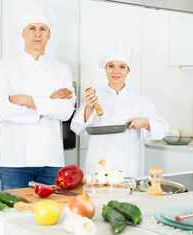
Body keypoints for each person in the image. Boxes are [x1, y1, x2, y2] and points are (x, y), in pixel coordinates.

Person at [0, 3, 76, 190]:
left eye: (43, 29)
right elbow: (2, 112)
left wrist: (28, 101)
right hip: (14, 158)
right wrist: (49, 104)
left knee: (52, 212)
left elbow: (66, 112)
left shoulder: (62, 69)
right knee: (14, 212)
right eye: (32, 28)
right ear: (23, 33)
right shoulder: (4, 67)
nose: (38, 33)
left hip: (51, 158)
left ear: (49, 35)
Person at [70, 43, 169, 177]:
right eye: (111, 66)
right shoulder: (93, 96)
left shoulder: (140, 100)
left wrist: (145, 122)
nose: (116, 72)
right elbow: (77, 128)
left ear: (128, 70)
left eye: (122, 67)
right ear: (105, 69)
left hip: (126, 168)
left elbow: (164, 129)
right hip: (97, 166)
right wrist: (88, 107)